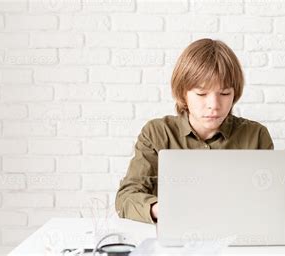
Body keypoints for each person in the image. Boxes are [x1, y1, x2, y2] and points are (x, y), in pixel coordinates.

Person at [115, 38, 274, 224]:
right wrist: (162, 209)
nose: (214, 106)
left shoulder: (256, 135)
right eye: (201, 94)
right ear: (183, 93)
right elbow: (126, 198)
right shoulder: (157, 133)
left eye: (224, 94)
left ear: (235, 94)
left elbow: (272, 197)